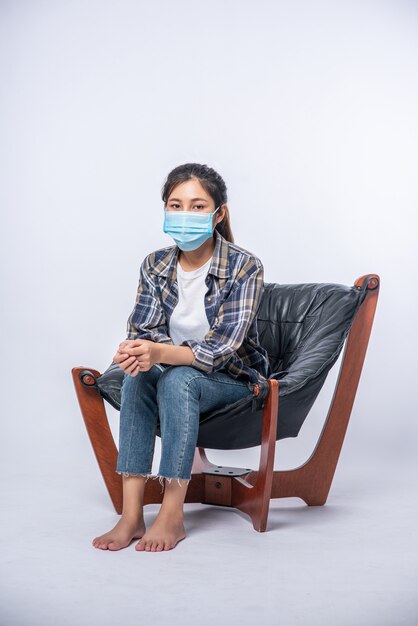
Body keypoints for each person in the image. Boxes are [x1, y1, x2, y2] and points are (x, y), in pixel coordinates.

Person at [92, 163, 271, 552]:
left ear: (218, 213)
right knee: (137, 376)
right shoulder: (155, 264)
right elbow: (144, 328)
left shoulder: (244, 266)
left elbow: (220, 348)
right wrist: (138, 351)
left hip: (234, 380)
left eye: (197, 206)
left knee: (177, 378)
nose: (184, 215)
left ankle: (172, 513)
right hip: (177, 373)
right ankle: (132, 514)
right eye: (175, 205)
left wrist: (159, 352)